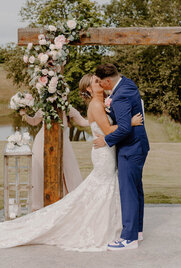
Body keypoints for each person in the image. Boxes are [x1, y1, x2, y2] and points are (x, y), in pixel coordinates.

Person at [0, 74, 142, 252]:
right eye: (96, 82)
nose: (101, 83)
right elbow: (106, 128)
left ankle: (112, 222)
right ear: (88, 89)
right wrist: (130, 122)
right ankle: (103, 225)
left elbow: (88, 122)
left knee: (104, 186)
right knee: (103, 185)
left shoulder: (90, 105)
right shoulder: (94, 105)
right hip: (103, 152)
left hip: (105, 148)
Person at [94, 63, 149, 250]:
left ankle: (128, 238)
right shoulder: (127, 84)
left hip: (130, 149)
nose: (101, 86)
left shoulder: (119, 97)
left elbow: (125, 128)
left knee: (128, 192)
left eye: (101, 83)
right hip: (140, 146)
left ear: (108, 81)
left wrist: (106, 140)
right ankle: (138, 231)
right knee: (136, 189)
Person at [19, 106, 89, 211]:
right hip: (42, 143)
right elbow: (34, 121)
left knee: (67, 171)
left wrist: (98, 118)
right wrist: (24, 115)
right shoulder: (44, 107)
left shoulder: (68, 109)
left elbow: (83, 122)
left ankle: (65, 200)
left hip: (63, 144)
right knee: (42, 172)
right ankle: (42, 202)